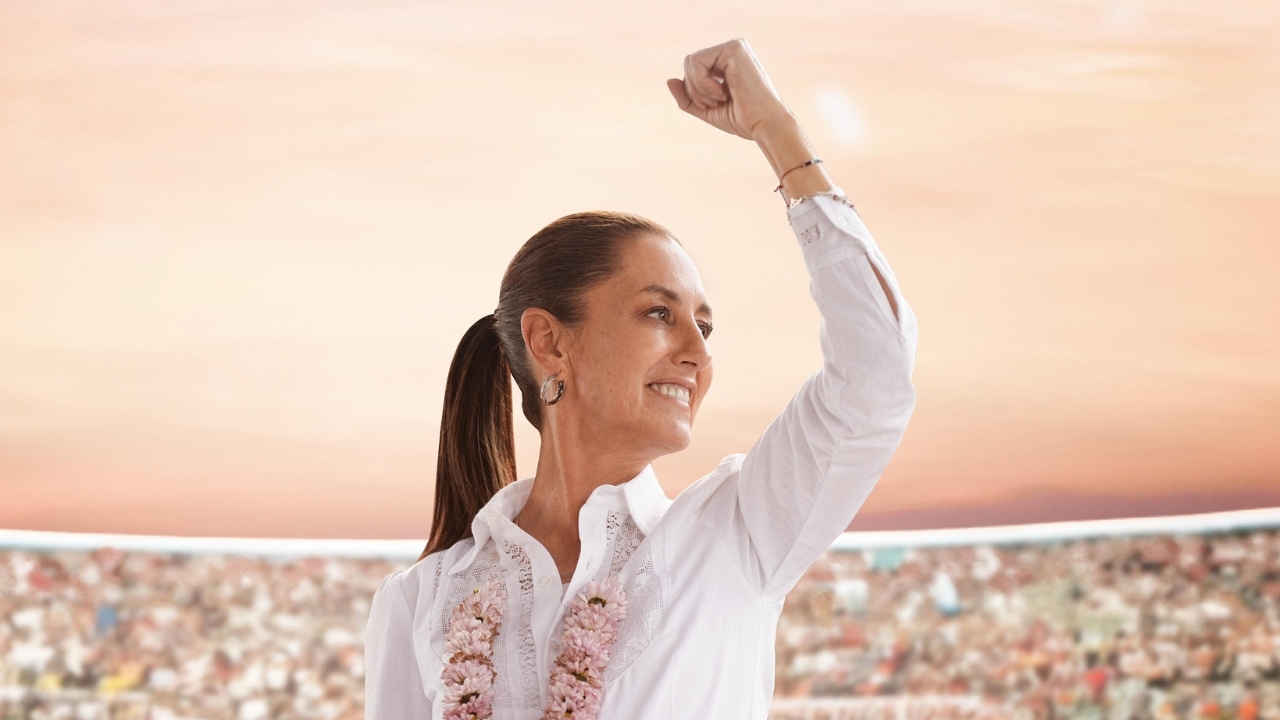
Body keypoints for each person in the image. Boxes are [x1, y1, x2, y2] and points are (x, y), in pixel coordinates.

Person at [364, 37, 919, 720]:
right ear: (549, 342)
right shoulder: (422, 602)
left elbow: (877, 372)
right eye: (660, 313)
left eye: (705, 327)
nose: (696, 353)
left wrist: (776, 133)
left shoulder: (739, 536)